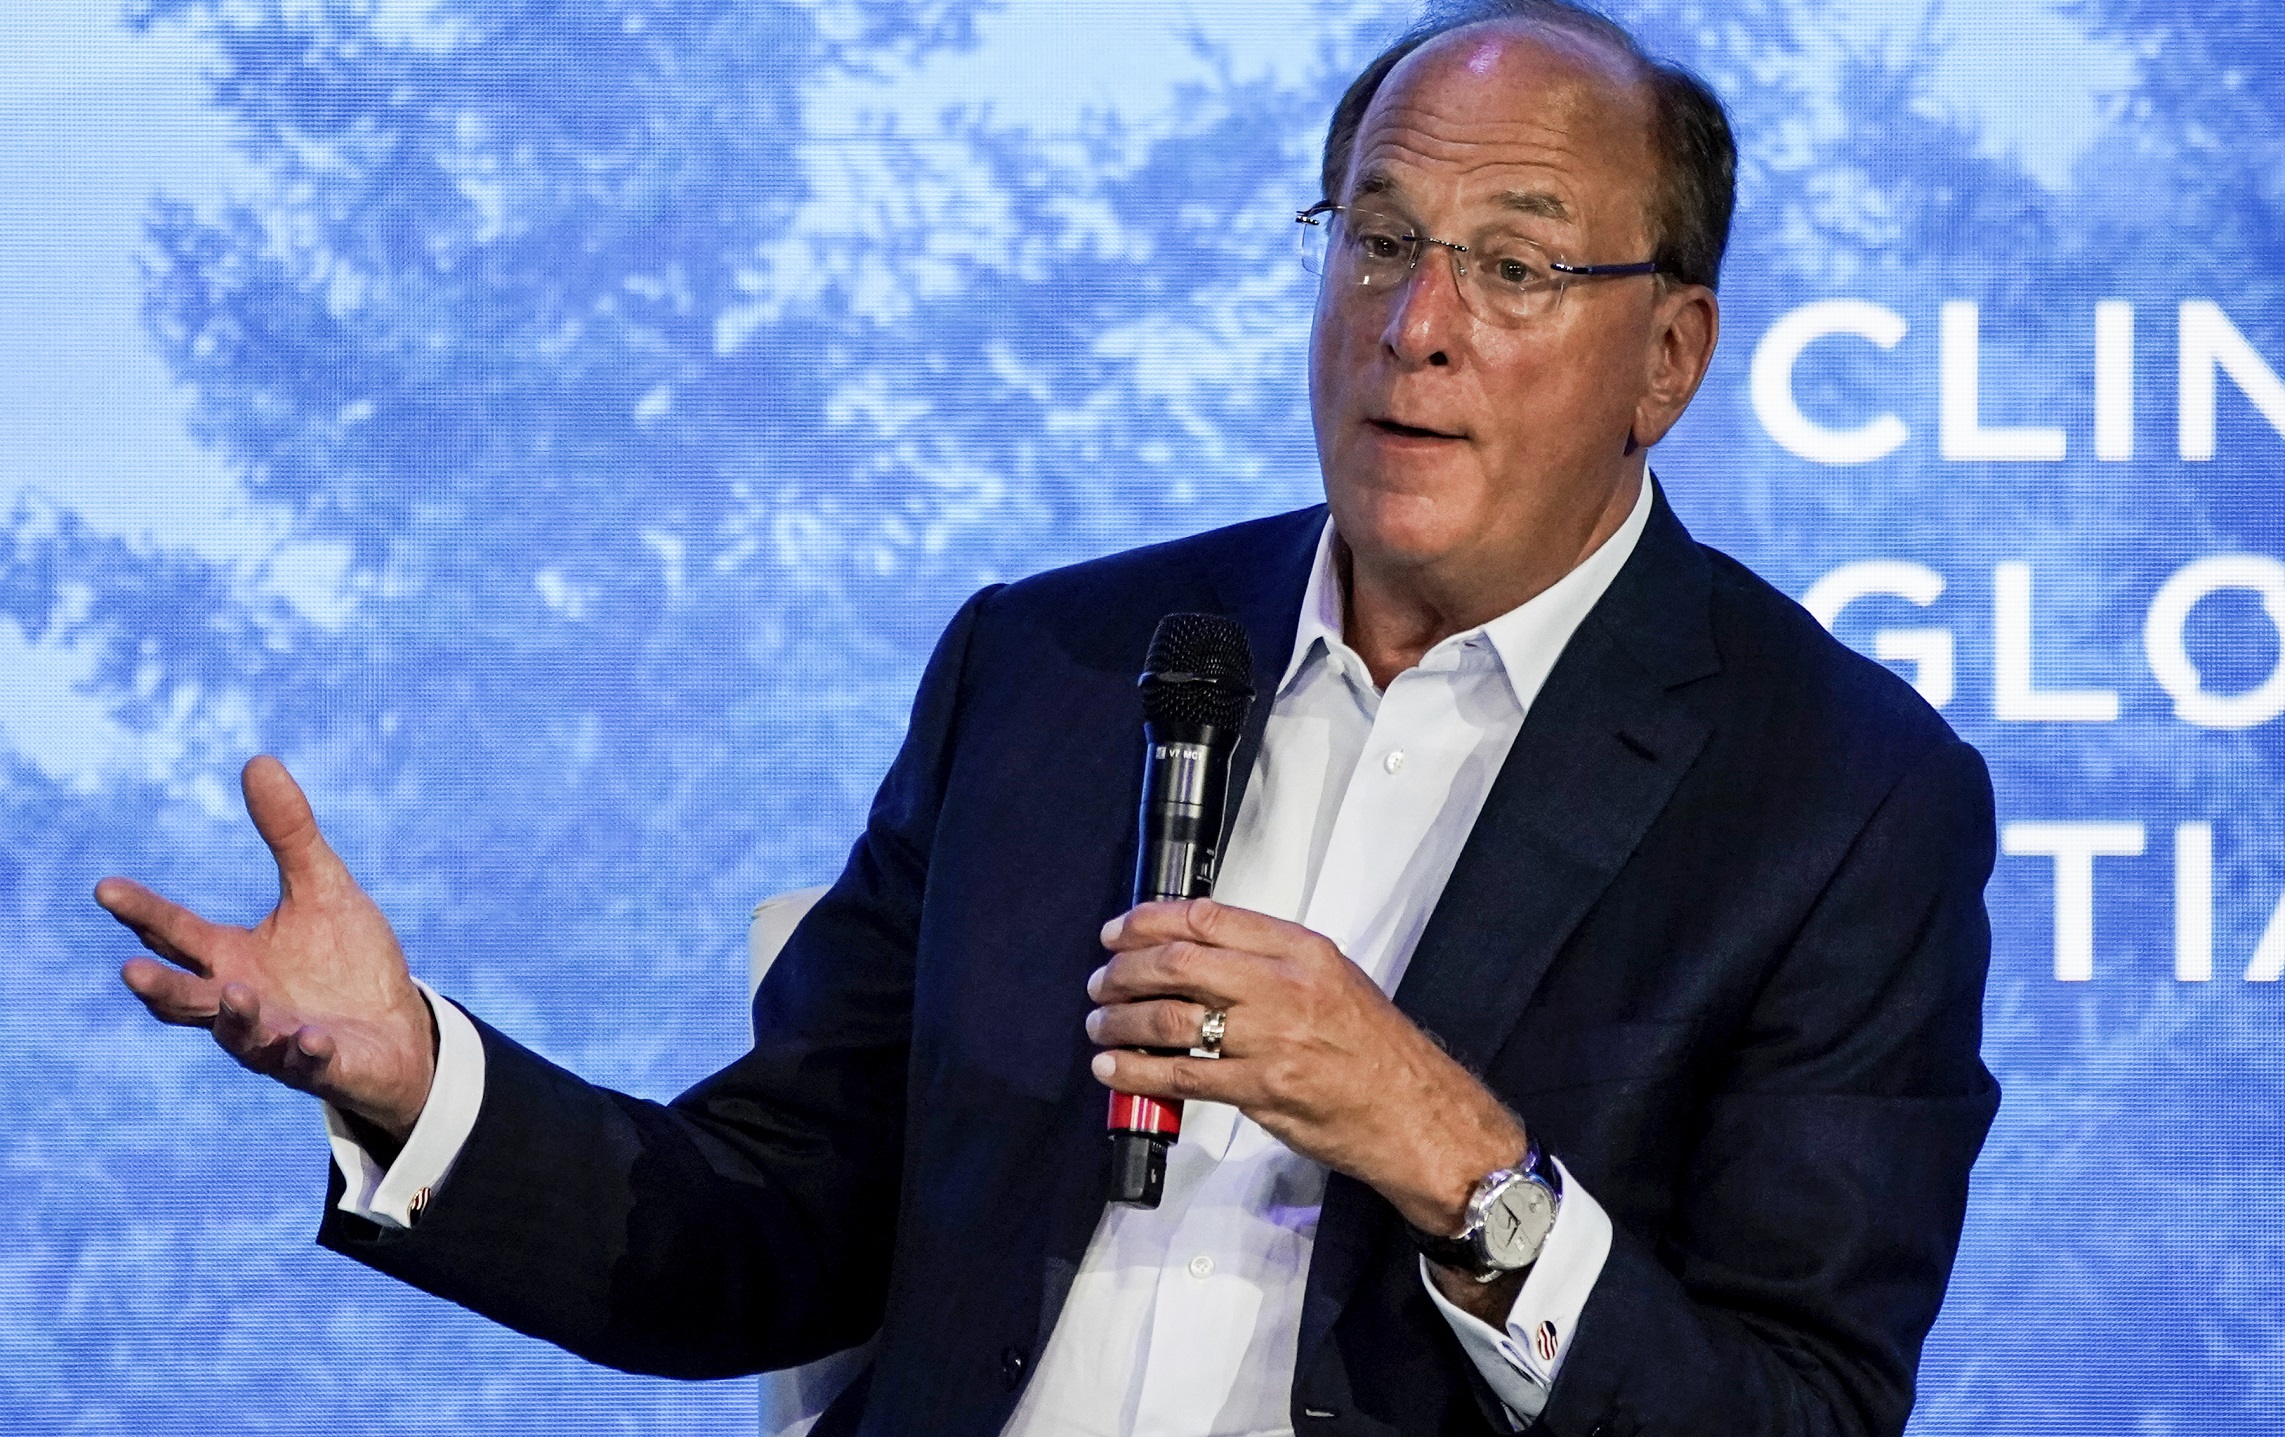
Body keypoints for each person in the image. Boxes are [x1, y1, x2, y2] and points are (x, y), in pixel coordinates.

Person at [95, 3, 1999, 1434]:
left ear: (1666, 356)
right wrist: (413, 1075)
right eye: (1373, 238)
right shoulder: (1057, 666)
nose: (1414, 322)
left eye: (1510, 266)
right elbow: (768, 1223)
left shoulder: (1836, 796)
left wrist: (1449, 1154)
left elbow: (1796, 1408)